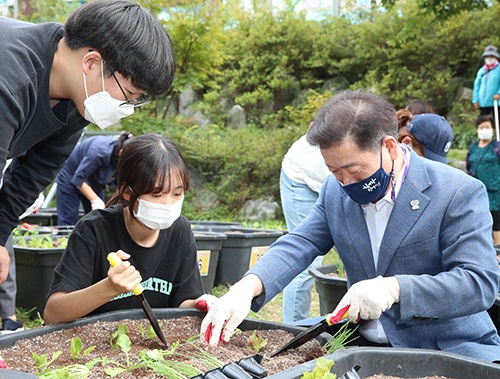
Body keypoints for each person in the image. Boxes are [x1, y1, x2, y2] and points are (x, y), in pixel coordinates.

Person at [200, 90, 500, 362]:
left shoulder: (457, 191)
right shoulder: (335, 191)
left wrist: (395, 288)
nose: (345, 182)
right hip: (361, 343)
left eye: (354, 170)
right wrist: (244, 289)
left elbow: (479, 283)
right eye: (334, 171)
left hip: (444, 347)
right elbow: (300, 244)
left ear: (390, 147)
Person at [0, 0, 176, 285]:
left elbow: (35, 172)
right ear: (91, 62)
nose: (127, 107)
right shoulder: (10, 80)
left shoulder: (77, 98)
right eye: (129, 94)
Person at [44, 134, 215, 324]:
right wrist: (109, 288)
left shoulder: (180, 230)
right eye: (157, 194)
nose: (168, 204)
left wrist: (202, 304)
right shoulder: (93, 230)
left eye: (177, 193)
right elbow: (53, 313)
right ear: (127, 192)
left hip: (154, 349)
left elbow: (184, 302)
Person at [280, 133, 331, 324]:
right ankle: (293, 328)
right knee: (307, 262)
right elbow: (301, 245)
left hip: (323, 178)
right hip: (301, 177)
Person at [56, 131, 133, 226]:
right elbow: (78, 179)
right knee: (68, 220)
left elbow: (122, 187)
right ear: (121, 152)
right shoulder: (101, 151)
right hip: (71, 176)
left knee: (97, 220)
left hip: (94, 182)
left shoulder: (121, 162)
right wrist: (95, 200)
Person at [466, 114, 500, 245]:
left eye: (487, 127)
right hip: (477, 190)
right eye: (481, 127)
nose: (484, 129)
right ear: (477, 129)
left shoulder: (496, 146)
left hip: (495, 191)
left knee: (496, 221)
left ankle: (498, 251)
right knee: (479, 220)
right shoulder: (473, 147)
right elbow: (469, 165)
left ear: (492, 129)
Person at [473, 45, 500, 116]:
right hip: (483, 103)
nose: (489, 58)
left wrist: (499, 93)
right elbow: (477, 86)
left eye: (491, 56)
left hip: (496, 102)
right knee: (484, 122)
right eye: (487, 56)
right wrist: (475, 100)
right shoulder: (481, 71)